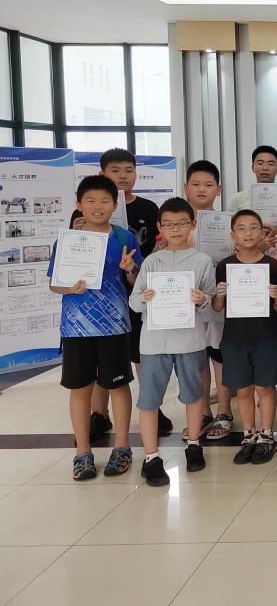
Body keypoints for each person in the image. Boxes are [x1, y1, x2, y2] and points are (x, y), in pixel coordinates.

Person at [48, 175, 141, 480]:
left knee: (118, 385)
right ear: (79, 204)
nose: (98, 206)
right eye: (90, 200)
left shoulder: (124, 238)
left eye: (104, 201)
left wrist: (130, 270)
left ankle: (123, 447)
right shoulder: (67, 241)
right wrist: (68, 288)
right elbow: (54, 284)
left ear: (114, 205)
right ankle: (82, 452)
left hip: (115, 324)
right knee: (80, 389)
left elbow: (136, 282)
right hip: (76, 328)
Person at [129, 198, 216, 486]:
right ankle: (151, 457)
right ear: (159, 227)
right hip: (154, 343)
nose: (175, 229)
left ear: (192, 225)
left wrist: (201, 299)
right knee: (149, 399)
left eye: (181, 224)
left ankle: (194, 444)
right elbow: (134, 301)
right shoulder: (151, 262)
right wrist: (144, 298)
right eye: (169, 224)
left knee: (193, 395)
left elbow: (212, 305)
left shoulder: (202, 261)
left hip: (189, 340)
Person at [88, 148, 165, 440]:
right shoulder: (86, 212)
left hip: (140, 291)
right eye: (115, 170)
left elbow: (157, 246)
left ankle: (152, 408)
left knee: (142, 354)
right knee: (101, 357)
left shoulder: (148, 208)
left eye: (128, 170)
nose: (123, 176)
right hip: (101, 297)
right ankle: (99, 414)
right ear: (102, 173)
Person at [213, 209, 277, 466]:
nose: (248, 233)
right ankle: (248, 435)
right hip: (235, 338)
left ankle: (266, 435)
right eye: (241, 229)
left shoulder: (271, 265)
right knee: (243, 390)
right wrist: (219, 295)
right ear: (232, 235)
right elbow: (217, 308)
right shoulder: (224, 266)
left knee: (264, 387)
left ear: (261, 232)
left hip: (266, 336)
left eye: (254, 227)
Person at [180, 159, 233, 441]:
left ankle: (224, 411)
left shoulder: (227, 224)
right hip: (186, 302)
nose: (202, 190)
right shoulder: (176, 223)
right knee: (195, 357)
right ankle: (202, 412)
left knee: (219, 355)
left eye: (209, 185)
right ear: (185, 187)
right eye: (196, 184)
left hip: (218, 298)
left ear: (219, 189)